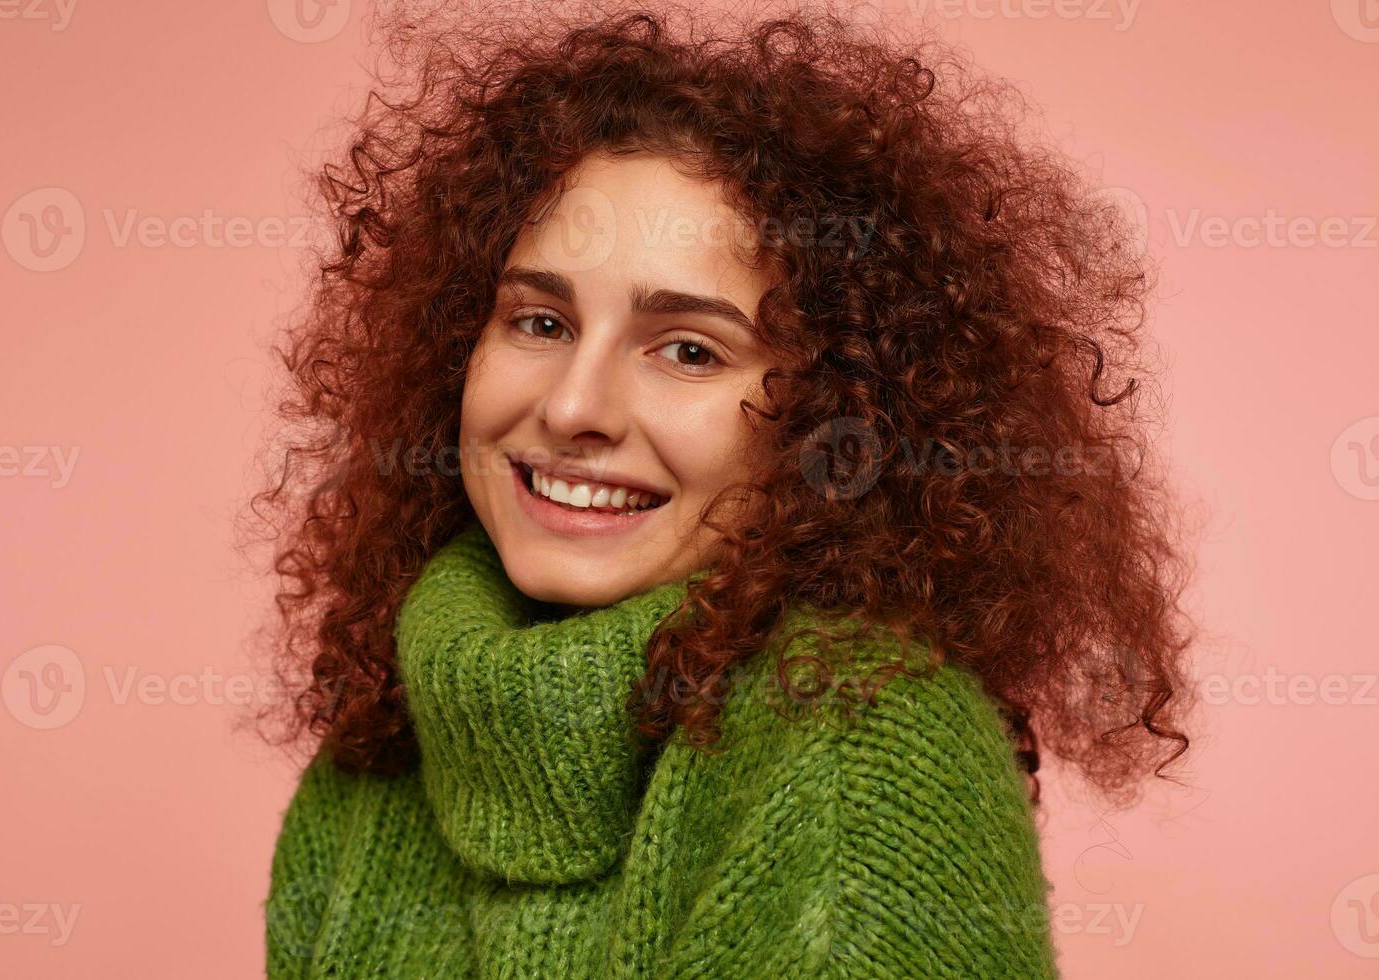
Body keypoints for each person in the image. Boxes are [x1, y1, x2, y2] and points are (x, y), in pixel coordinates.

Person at [252, 3, 1197, 976]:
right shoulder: (393, 738)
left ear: (831, 423)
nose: (576, 403)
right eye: (538, 322)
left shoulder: (860, 744)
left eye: (690, 349)